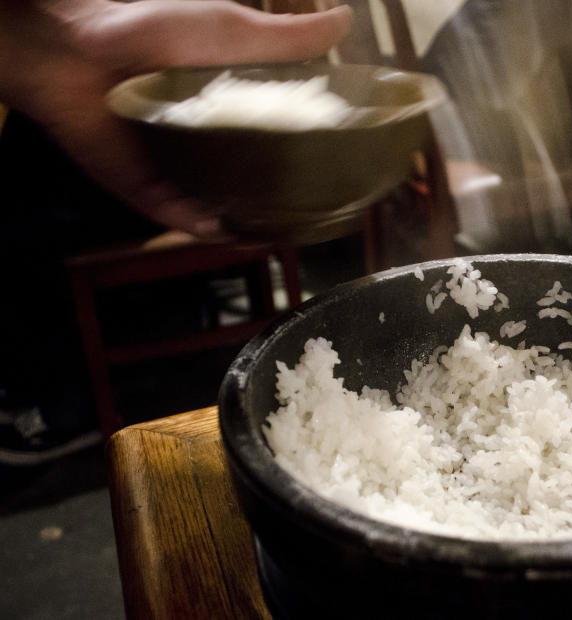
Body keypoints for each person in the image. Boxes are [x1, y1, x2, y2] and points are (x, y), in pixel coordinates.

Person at [0, 0, 353, 465]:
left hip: (167, 140)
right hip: (159, 120)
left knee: (24, 204)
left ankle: (64, 403)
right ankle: (78, 393)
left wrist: (60, 37)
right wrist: (60, 37)